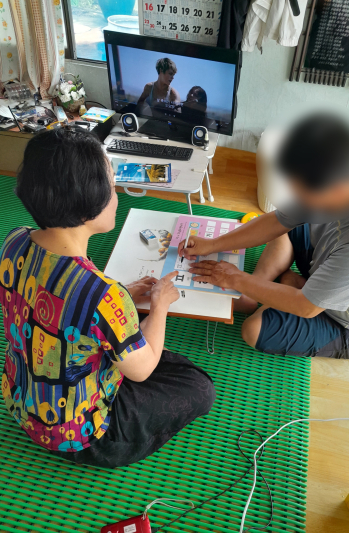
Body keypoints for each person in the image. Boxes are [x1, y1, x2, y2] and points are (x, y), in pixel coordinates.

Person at [0, 128, 215, 468]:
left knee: (145, 349)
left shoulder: (13, 241)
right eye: (113, 188)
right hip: (80, 435)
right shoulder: (103, 295)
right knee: (199, 386)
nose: (115, 197)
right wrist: (159, 305)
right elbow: (142, 371)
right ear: (88, 204)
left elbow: (54, 299)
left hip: (20, 400)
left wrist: (121, 297)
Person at [180, 113, 349, 359]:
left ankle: (287, 287)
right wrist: (212, 244)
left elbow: (306, 307)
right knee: (286, 229)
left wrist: (235, 279)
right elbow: (278, 221)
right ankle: (258, 293)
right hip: (327, 262)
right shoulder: (340, 172)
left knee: (253, 329)